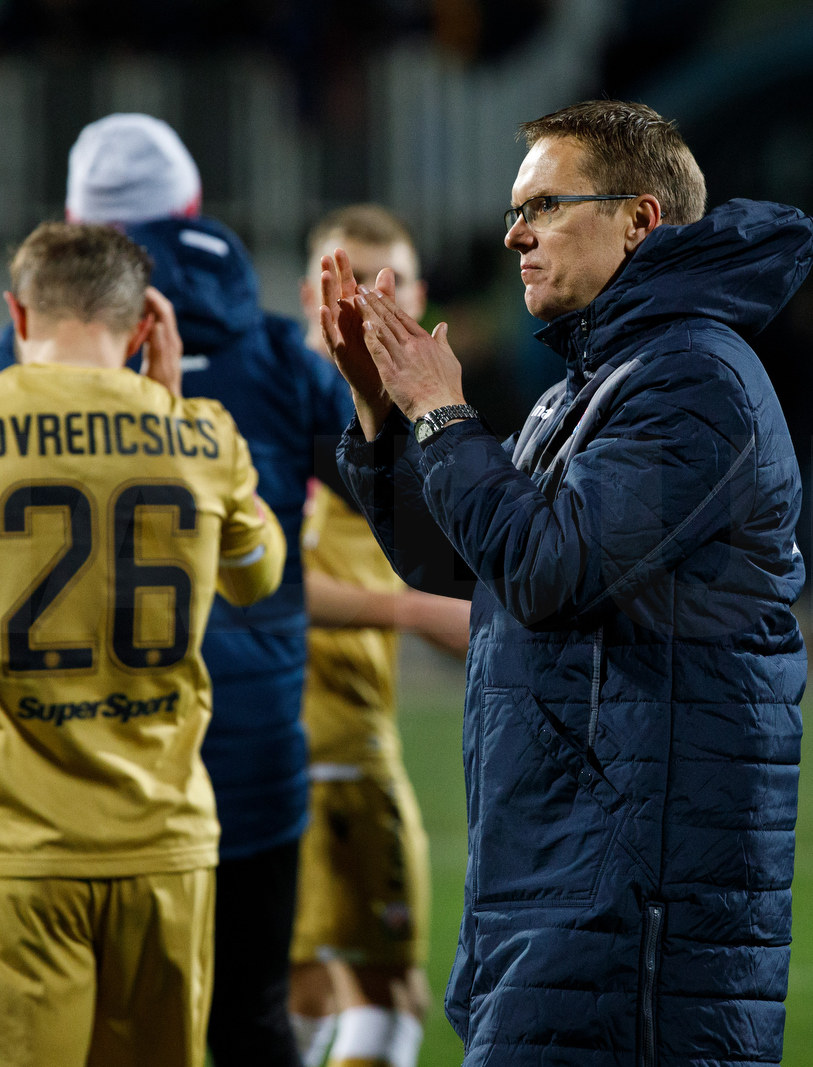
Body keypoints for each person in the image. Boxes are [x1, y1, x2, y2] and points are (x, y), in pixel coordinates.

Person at [320, 100, 813, 1066]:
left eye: (545, 204)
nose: (516, 233)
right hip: (564, 873)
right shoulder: (600, 380)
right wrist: (384, 415)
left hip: (634, 905)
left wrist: (444, 412)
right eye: (517, 210)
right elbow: (467, 560)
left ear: (640, 219)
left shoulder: (695, 381)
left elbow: (550, 568)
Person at [0, 221, 286, 1067]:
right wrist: (178, 414)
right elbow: (259, 574)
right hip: (167, 862)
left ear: (15, 313)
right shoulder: (203, 434)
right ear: (146, 327)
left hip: (17, 862)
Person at [0, 113, 355, 1066]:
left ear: (75, 226)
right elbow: (425, 526)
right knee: (250, 1024)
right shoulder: (278, 358)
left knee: (93, 1040)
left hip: (79, 763)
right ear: (193, 213)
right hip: (254, 751)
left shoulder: (8, 366)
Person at [287, 205, 471, 1067]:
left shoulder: (421, 423)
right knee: (386, 996)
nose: (367, 299)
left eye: (386, 281)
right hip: (330, 754)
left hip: (302, 753)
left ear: (420, 295)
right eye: (349, 279)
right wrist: (409, 611)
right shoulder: (286, 414)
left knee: (304, 992)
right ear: (311, 293)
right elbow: (248, 581)